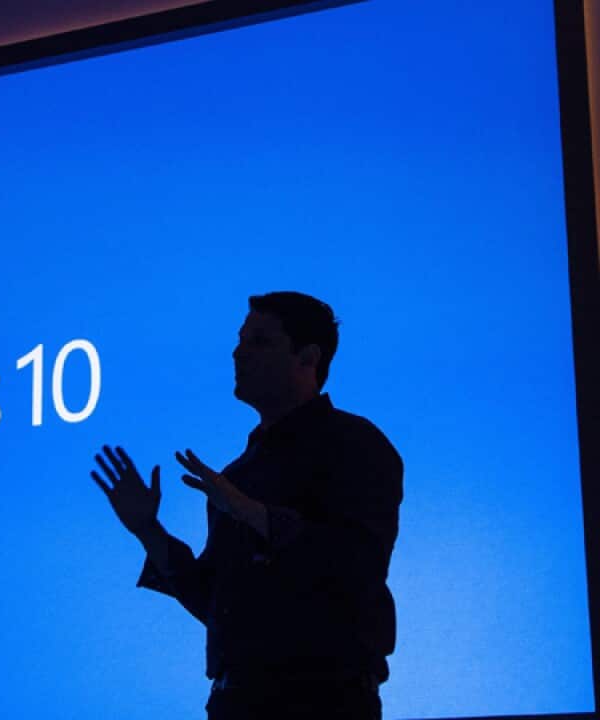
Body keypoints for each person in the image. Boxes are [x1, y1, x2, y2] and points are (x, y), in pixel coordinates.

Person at [91, 291, 403, 720]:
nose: (238, 352)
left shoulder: (354, 444)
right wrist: (148, 530)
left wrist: (249, 511)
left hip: (324, 700)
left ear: (308, 357)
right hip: (234, 702)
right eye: (240, 340)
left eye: (260, 341)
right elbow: (218, 603)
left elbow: (356, 567)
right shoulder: (236, 475)